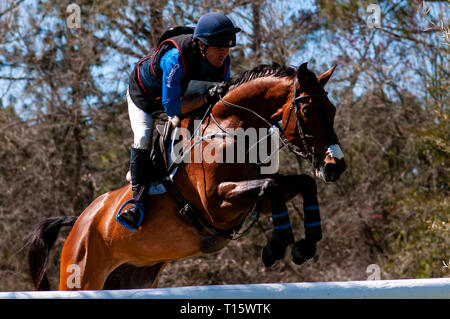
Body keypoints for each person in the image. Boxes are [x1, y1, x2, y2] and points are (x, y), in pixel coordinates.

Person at [117, 12, 241, 230]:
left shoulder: (223, 61)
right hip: (144, 97)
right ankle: (136, 203)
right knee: (144, 137)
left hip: (182, 97)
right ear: (202, 46)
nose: (224, 53)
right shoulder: (175, 58)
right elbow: (172, 108)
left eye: (227, 47)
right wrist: (206, 96)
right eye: (219, 47)